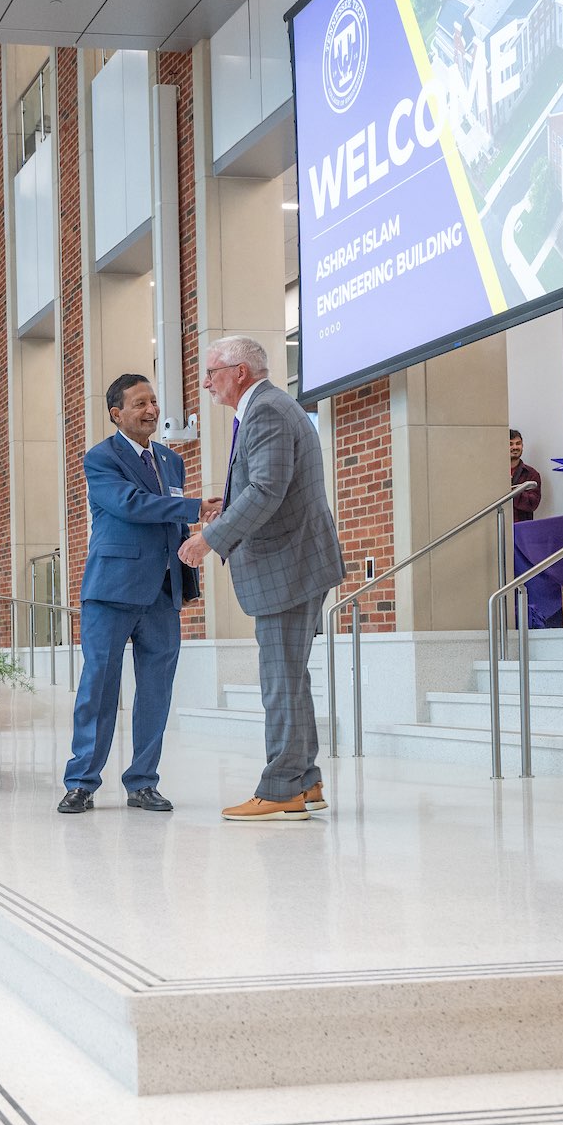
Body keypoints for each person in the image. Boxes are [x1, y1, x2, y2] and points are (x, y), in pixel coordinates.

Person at [180, 336, 345, 822]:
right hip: (293, 562)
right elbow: (266, 487)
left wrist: (210, 539)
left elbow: (267, 489)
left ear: (240, 373)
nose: (206, 382)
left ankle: (280, 791)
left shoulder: (268, 410)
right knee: (290, 676)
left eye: (212, 372)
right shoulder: (267, 407)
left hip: (288, 565)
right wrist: (223, 510)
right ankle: (306, 780)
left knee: (279, 679)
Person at [57, 375, 205, 815]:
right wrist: (196, 507)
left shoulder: (171, 460)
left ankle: (142, 782)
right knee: (98, 688)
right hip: (112, 591)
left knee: (156, 691)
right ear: (116, 413)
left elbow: (171, 524)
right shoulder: (101, 458)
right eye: (140, 403)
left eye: (155, 401)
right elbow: (130, 504)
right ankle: (81, 782)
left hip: (162, 593)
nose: (151, 410)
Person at [510, 428, 543, 522]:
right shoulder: (494, 474)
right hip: (497, 528)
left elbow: (532, 504)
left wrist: (511, 490)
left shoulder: (532, 474)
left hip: (521, 528)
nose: (515, 447)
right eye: (510, 444)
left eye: (518, 443)